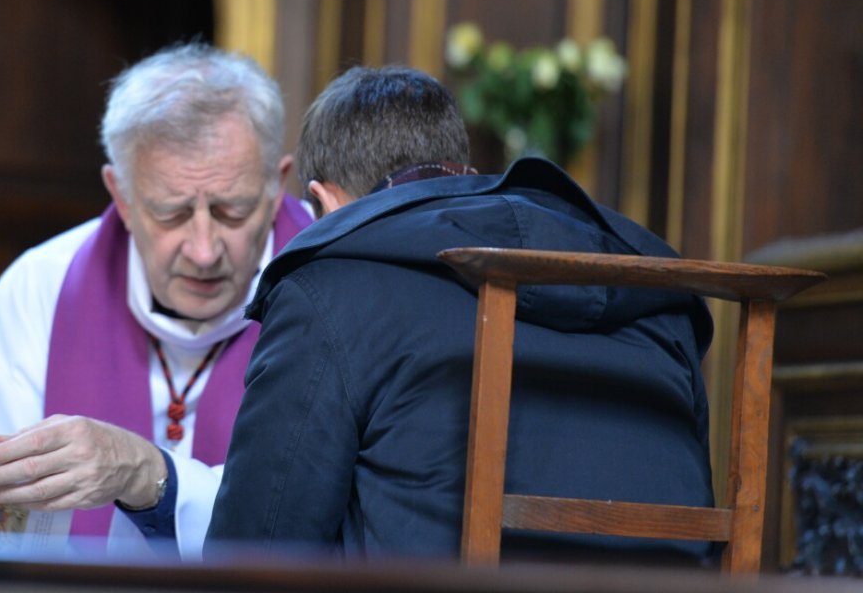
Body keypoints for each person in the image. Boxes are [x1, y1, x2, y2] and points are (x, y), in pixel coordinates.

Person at [206, 66, 716, 562]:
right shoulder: (659, 294)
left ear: (323, 201)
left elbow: (254, 554)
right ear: (468, 180)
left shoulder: (330, 289)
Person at [0, 43, 312, 558]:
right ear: (122, 196)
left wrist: (150, 475)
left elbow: (335, 521)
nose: (203, 250)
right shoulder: (42, 288)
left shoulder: (336, 286)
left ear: (275, 184)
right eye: (172, 214)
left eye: (232, 211)